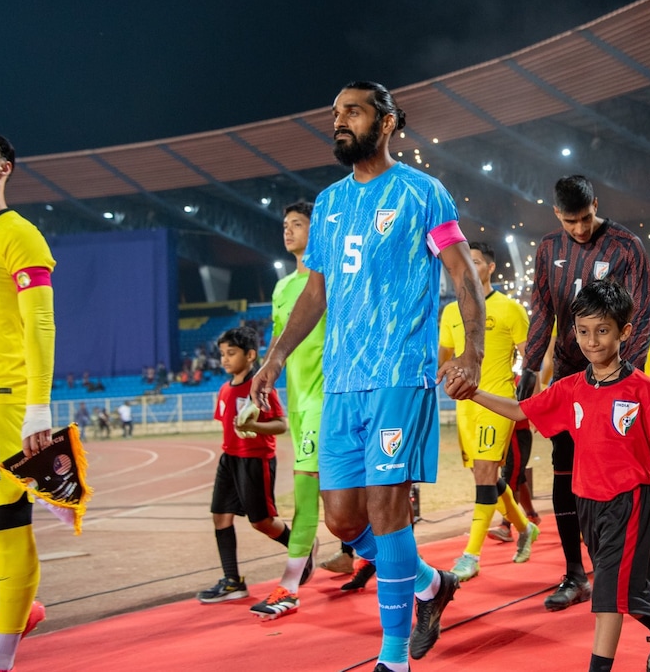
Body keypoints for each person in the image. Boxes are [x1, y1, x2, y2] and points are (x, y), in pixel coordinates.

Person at [251, 81, 484, 671]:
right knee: (342, 519)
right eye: (335, 113)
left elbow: (462, 274)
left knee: (386, 510)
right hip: (342, 381)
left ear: (386, 123)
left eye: (352, 111)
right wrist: (275, 357)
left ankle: (393, 657)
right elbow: (316, 292)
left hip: (400, 374)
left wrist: (473, 354)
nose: (339, 121)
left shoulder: (422, 192)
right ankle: (429, 584)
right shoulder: (328, 203)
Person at [452, 279, 650, 672]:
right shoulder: (571, 388)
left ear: (624, 332)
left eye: (602, 330)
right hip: (586, 500)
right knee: (623, 591)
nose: (592, 341)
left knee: (607, 597)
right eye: (583, 331)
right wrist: (473, 393)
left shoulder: (642, 389)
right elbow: (520, 410)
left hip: (630, 500)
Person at [520, 175, 650, 612]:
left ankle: (622, 563)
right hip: (569, 377)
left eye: (585, 218)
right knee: (564, 472)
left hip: (613, 379)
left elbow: (641, 315)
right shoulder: (547, 249)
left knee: (614, 471)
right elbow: (542, 310)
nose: (579, 229)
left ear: (596, 204)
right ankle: (575, 574)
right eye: (570, 221)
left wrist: (625, 376)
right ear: (556, 214)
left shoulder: (626, 246)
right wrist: (531, 367)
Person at [439, 241, 539, 581]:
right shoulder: (450, 312)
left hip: (497, 403)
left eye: (477, 261)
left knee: (484, 475)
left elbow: (531, 360)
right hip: (465, 407)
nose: (471, 267)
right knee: (488, 478)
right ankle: (525, 527)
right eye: (466, 262)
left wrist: (531, 402)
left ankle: (471, 555)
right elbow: (443, 357)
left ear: (490, 267)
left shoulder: (510, 309)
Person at [0, 131, 53, 670]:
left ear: (4, 168)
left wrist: (38, 406)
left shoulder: (19, 234)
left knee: (6, 527)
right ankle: (9, 606)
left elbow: (39, 324)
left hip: (3, 401)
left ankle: (1, 656)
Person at [252, 200, 325, 621]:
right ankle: (411, 573)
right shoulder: (281, 289)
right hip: (298, 403)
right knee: (343, 506)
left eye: (298, 223)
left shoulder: (330, 281)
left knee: (305, 491)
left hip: (325, 400)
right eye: (285, 224)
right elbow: (278, 344)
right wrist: (262, 382)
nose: (288, 230)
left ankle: (290, 585)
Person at [197, 326, 290, 605]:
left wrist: (255, 426)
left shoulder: (259, 388)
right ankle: (232, 581)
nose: (225, 359)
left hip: (254, 460)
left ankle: (301, 546)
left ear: (250, 355)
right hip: (229, 459)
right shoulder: (225, 389)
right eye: (222, 354)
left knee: (262, 522)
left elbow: (281, 425)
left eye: (231, 353)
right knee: (220, 516)